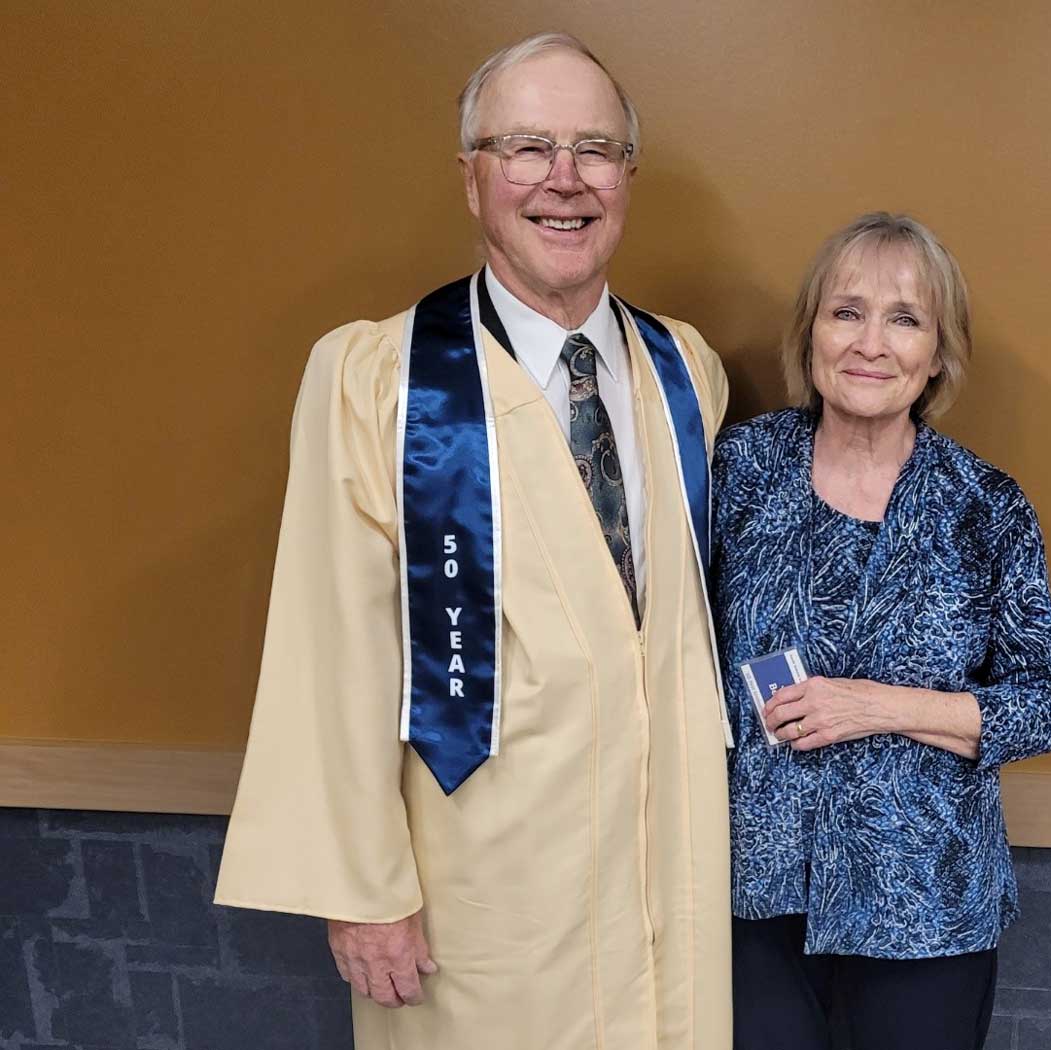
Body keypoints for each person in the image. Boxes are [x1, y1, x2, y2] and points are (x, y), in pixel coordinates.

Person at [215, 32, 734, 1050]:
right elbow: (333, 644)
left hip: (666, 874)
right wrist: (363, 887)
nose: (564, 179)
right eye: (526, 147)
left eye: (594, 149)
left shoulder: (685, 369)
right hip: (480, 888)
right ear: (471, 178)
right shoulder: (382, 380)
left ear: (627, 177)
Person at [711, 212, 1051, 1050]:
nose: (871, 342)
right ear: (810, 336)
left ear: (938, 353)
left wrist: (877, 704)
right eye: (847, 312)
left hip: (929, 911)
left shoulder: (985, 507)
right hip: (752, 897)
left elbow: (1045, 705)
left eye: (905, 318)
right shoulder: (738, 470)